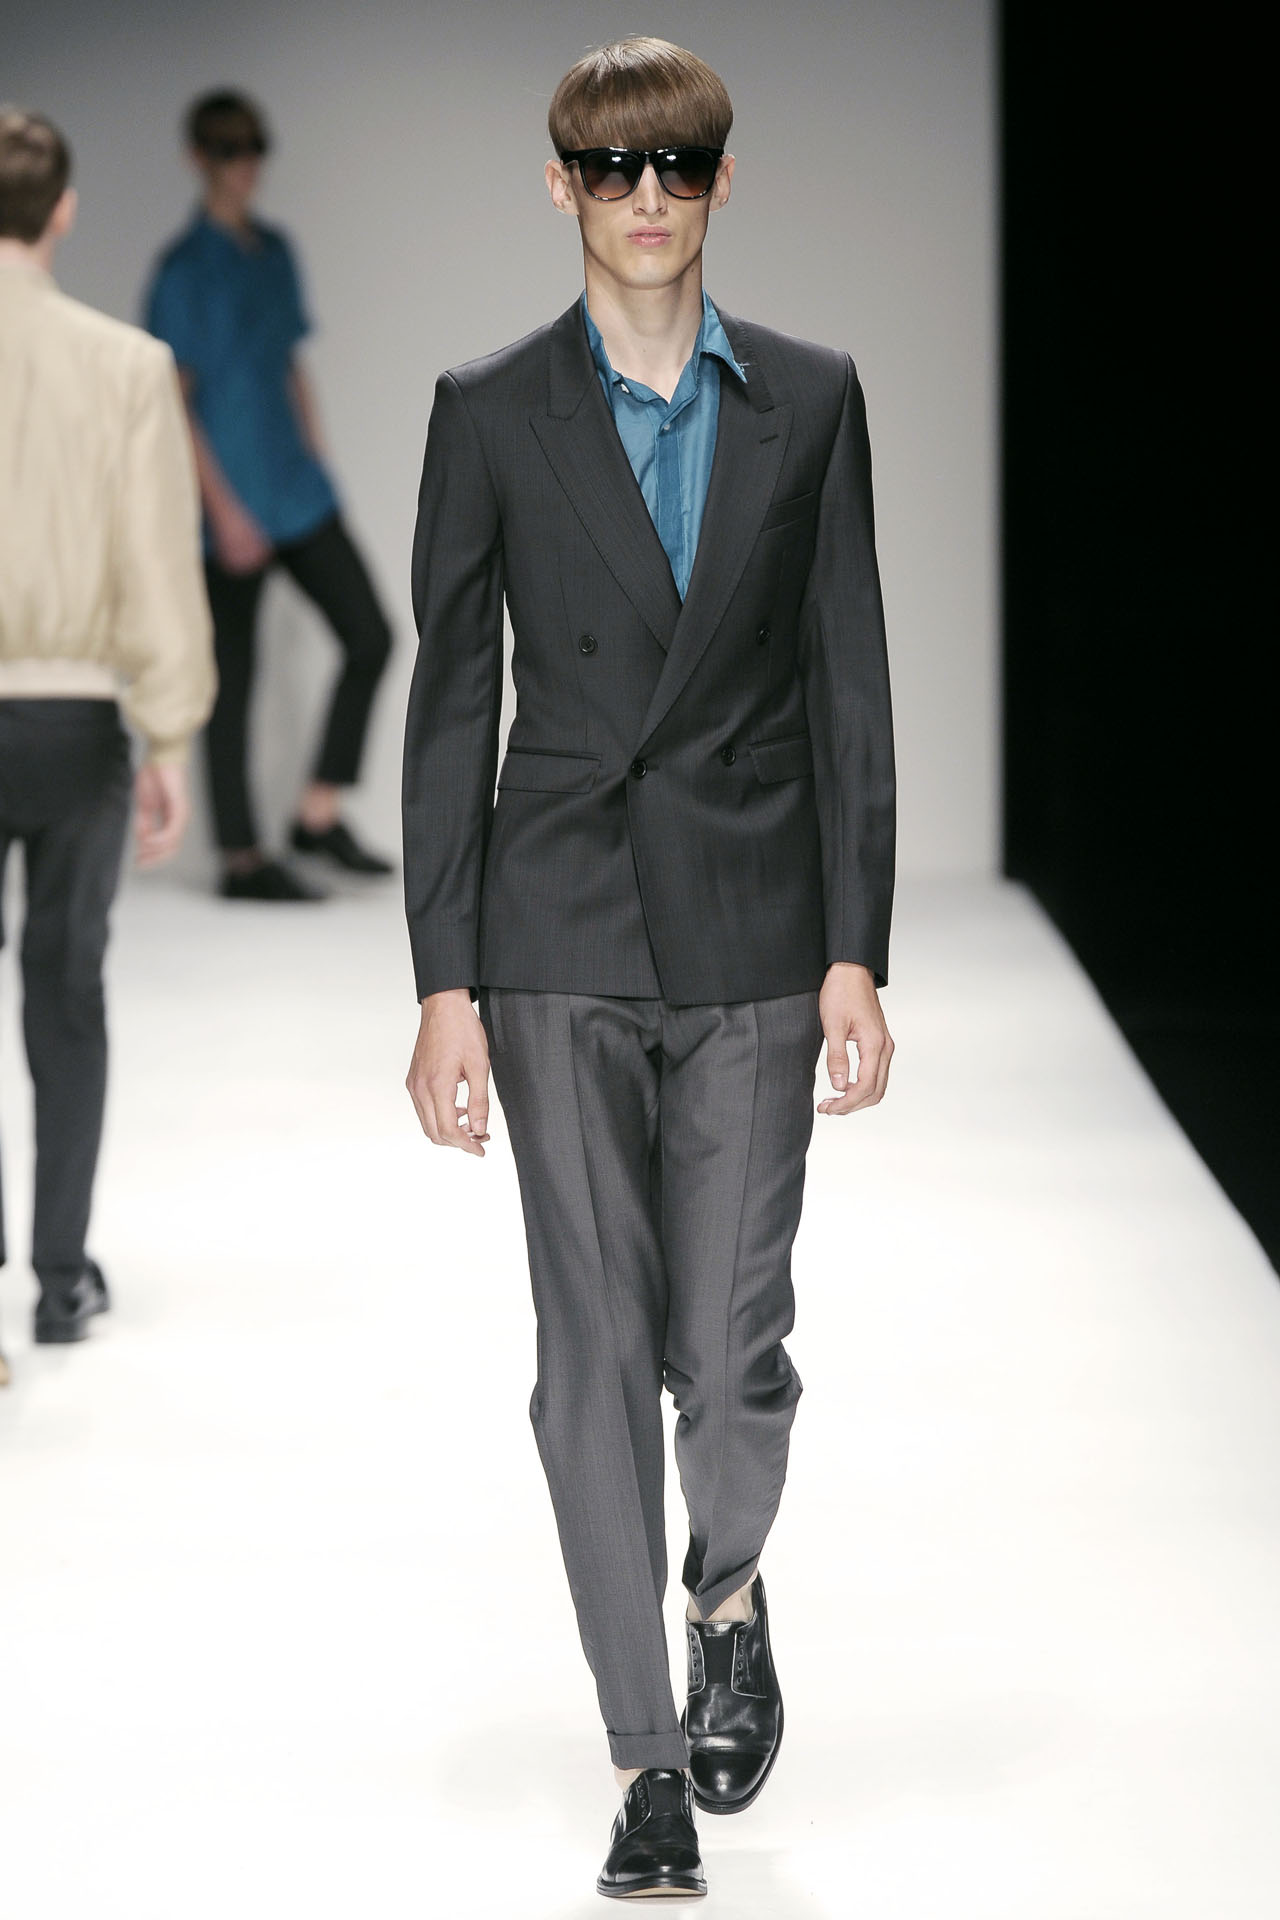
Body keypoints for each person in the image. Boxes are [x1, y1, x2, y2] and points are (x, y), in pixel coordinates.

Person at [403, 37, 895, 1902]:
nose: (646, 199)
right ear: (561, 186)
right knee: (594, 1352)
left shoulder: (814, 400)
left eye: (677, 164)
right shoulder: (487, 408)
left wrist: (857, 945)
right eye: (611, 168)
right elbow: (453, 699)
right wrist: (443, 977)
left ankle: (729, 1590)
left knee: (731, 1349)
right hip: (559, 925)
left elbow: (850, 679)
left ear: (721, 180)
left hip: (758, 915)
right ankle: (641, 1757)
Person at [0, 107, 215, 1367]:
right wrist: (169, 738)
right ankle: (58, 1276)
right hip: (74, 717)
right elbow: (155, 563)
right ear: (65, 210)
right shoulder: (126, 366)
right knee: (67, 993)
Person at [144, 89, 393, 902]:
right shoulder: (183, 272)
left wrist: (317, 460)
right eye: (228, 149)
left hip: (293, 489)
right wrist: (222, 512)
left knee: (371, 635)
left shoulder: (275, 251)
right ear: (198, 158)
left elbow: (289, 363)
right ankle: (241, 859)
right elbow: (173, 400)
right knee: (233, 678)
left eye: (253, 147)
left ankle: (316, 814)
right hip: (229, 506)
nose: (244, 164)